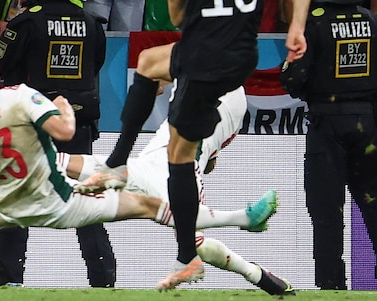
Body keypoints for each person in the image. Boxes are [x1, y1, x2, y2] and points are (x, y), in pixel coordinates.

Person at [0, 43, 278, 292]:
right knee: (146, 205)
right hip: (59, 203)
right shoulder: (20, 96)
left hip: (12, 209)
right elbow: (65, 129)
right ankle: (242, 218)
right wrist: (65, 108)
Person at [89, 0, 313, 289]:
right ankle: (121, 165)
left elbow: (175, 16)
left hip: (203, 61)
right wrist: (296, 28)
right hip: (242, 61)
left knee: (178, 154)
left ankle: (183, 251)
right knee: (152, 64)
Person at [63, 86, 295, 296]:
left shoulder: (207, 75)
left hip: (177, 170)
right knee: (192, 242)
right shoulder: (230, 100)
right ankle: (256, 262)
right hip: (151, 165)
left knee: (74, 168)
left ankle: (251, 249)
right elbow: (211, 161)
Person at [279, 0, 377, 291]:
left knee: (327, 210)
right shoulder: (374, 22)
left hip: (326, 127)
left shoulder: (314, 24)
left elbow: (291, 82)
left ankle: (332, 284)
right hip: (366, 124)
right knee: (376, 204)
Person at [0, 0, 116, 287]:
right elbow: (96, 65)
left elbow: (1, 64)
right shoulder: (92, 22)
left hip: (32, 125)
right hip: (79, 127)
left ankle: (9, 279)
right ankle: (103, 278)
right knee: (86, 204)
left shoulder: (25, 22)